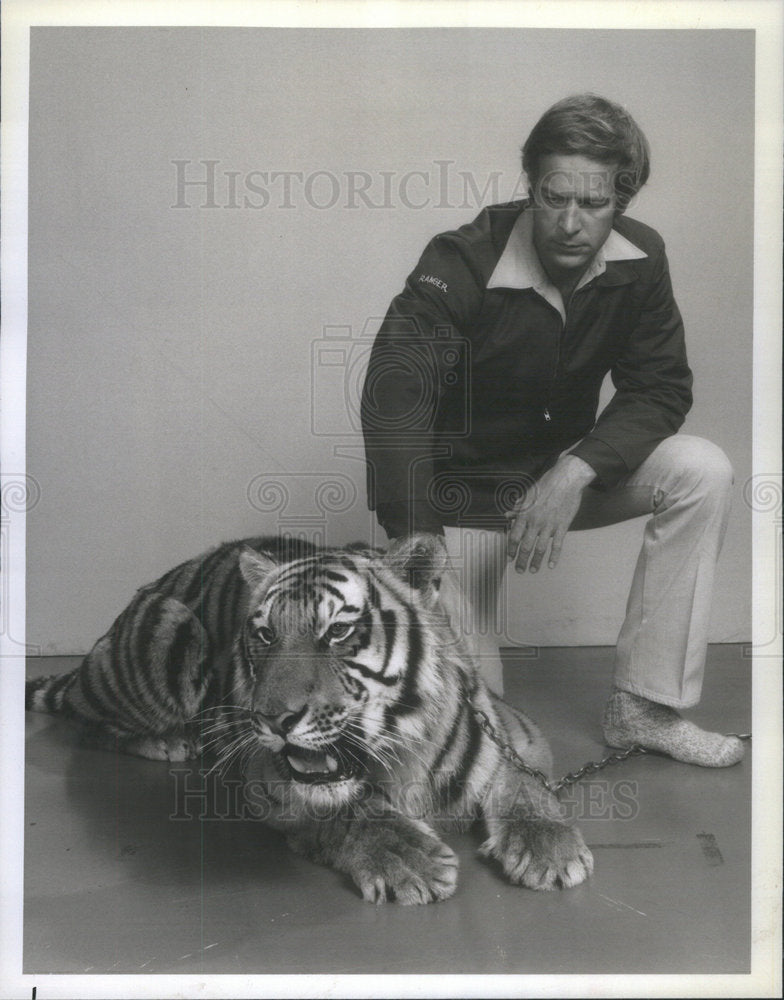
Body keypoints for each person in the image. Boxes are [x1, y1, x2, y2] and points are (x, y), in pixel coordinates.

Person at [360, 93, 743, 768]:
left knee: (701, 469)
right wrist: (417, 538)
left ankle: (643, 708)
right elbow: (396, 398)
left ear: (622, 199)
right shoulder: (460, 260)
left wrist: (576, 470)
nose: (569, 223)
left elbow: (660, 387)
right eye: (552, 197)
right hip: (460, 507)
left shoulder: (643, 258)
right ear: (530, 186)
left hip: (561, 480)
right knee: (492, 750)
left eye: (592, 204)